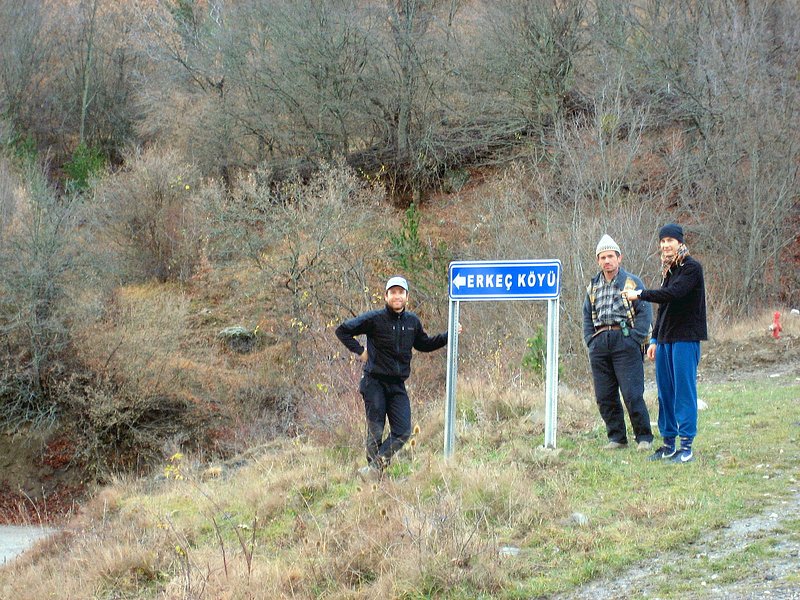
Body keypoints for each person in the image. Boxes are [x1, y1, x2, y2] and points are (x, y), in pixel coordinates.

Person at [335, 276, 451, 480]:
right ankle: (374, 480)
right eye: (393, 292)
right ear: (386, 296)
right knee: (375, 432)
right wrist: (360, 351)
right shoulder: (375, 319)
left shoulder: (412, 322)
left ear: (407, 297)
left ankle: (373, 471)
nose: (397, 296)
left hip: (397, 385)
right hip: (374, 382)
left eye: (401, 292)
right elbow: (342, 330)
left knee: (403, 430)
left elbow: (424, 344)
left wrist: (449, 336)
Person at [622, 223, 707, 464]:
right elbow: (664, 309)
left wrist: (640, 294)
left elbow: (673, 295)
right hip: (666, 340)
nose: (665, 245)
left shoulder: (691, 268)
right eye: (662, 241)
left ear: (680, 242)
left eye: (670, 240)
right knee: (665, 394)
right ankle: (669, 444)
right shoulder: (668, 270)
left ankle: (686, 447)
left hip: (685, 338)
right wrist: (655, 339)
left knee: (684, 393)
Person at [583, 234, 654, 451]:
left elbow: (645, 310)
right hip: (599, 342)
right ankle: (617, 438)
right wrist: (590, 340)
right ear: (598, 260)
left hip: (625, 340)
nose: (607, 261)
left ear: (619, 258)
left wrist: (635, 338)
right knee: (605, 396)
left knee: (632, 393)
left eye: (611, 256)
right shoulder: (592, 286)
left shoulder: (631, 281)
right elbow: (587, 314)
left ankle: (644, 437)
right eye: (603, 257)